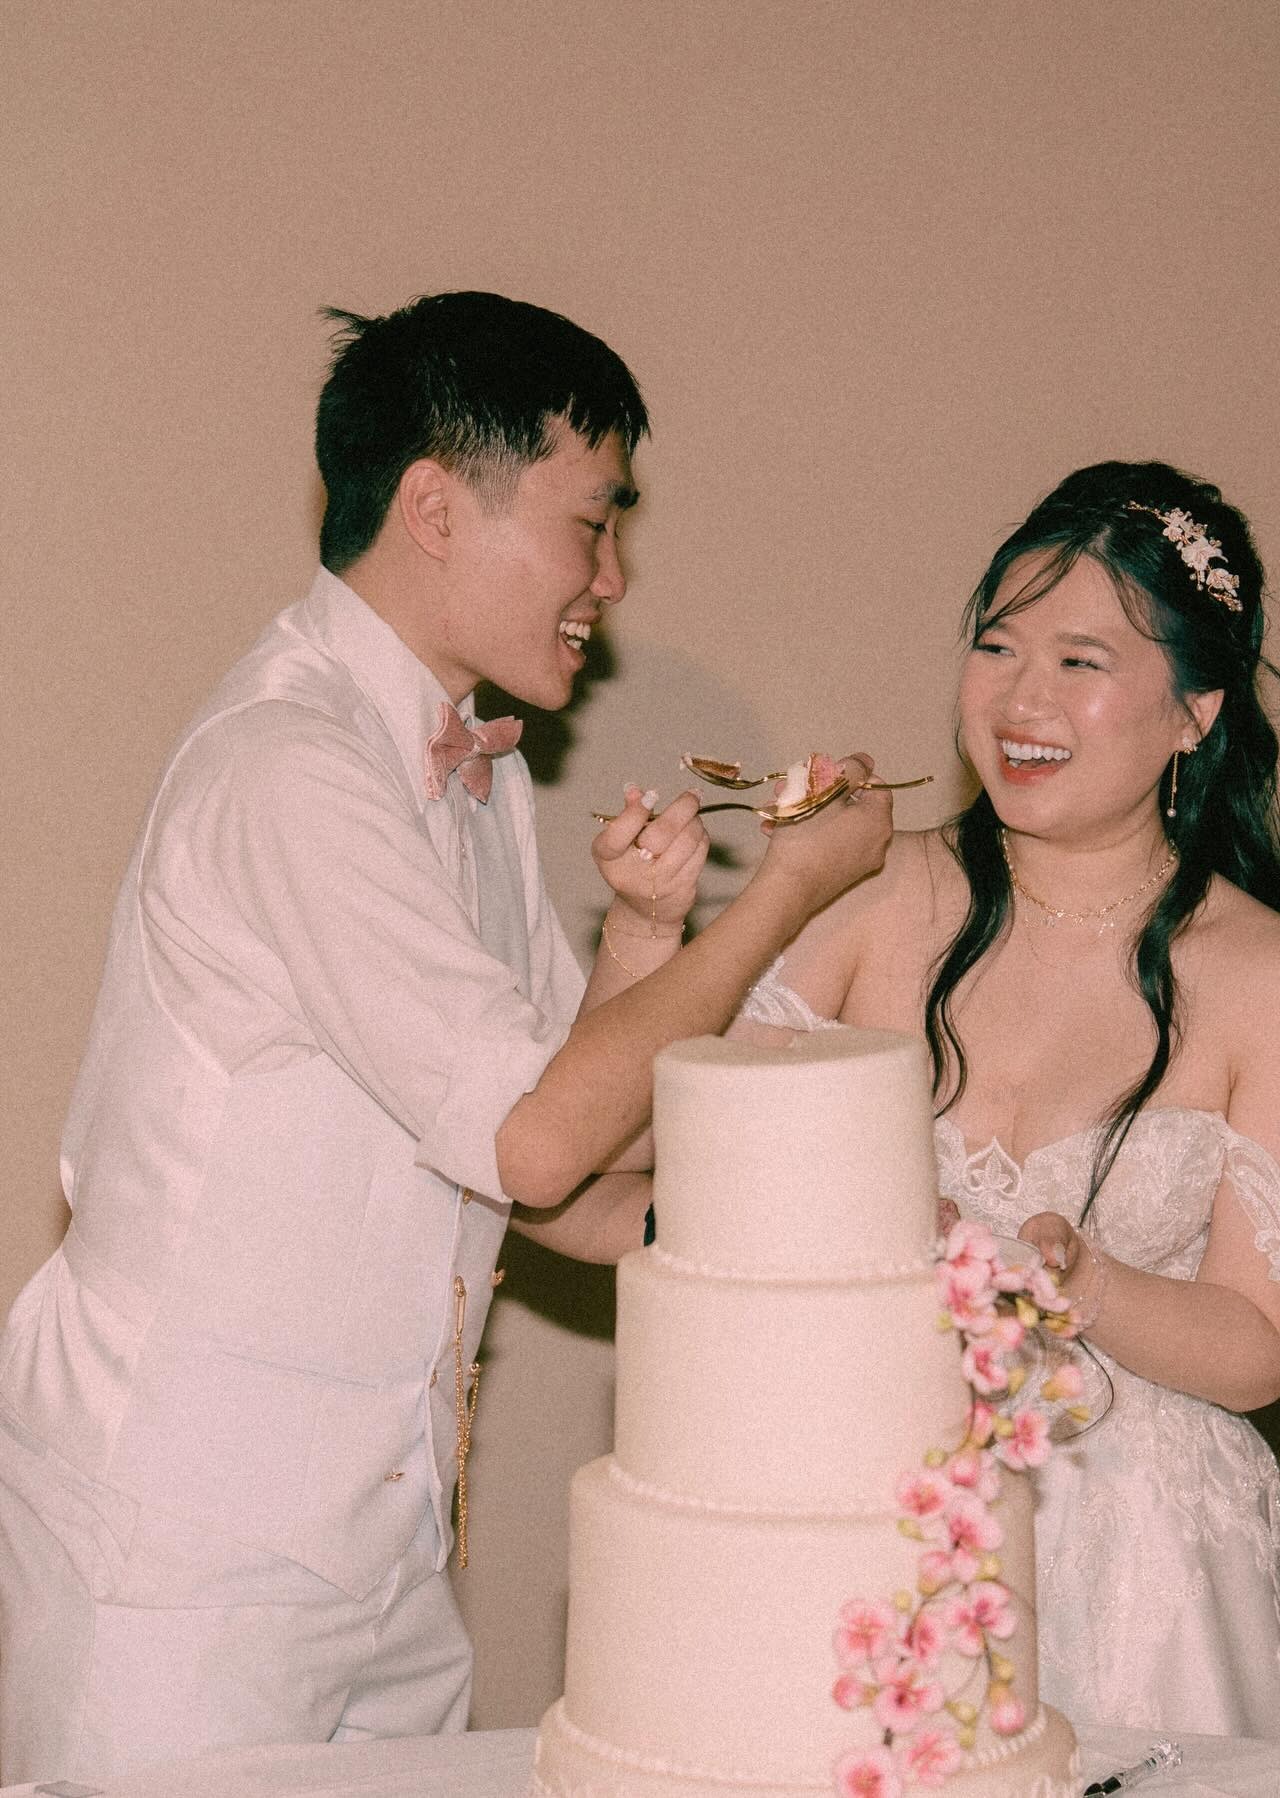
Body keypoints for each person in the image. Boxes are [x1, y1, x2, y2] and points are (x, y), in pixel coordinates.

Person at [0, 291, 893, 1786]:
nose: (610, 576)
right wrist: (789, 887)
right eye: (590, 522)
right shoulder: (290, 765)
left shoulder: (470, 773)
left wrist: (651, 948)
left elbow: (572, 1180)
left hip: (391, 1543)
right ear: (432, 506)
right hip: (184, 1552)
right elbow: (536, 1137)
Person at [730, 460, 1280, 1740]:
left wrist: (1097, 1289)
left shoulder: (1279, 986)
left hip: (1146, 1578)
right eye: (998, 644)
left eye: (1081, 661)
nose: (1020, 698)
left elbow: (1259, 1341)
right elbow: (700, 1163)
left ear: (1195, 710)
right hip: (867, 1509)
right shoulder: (873, 900)